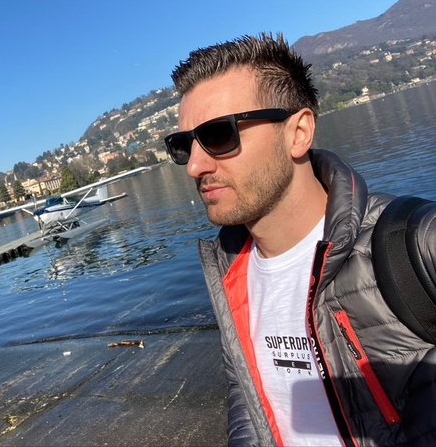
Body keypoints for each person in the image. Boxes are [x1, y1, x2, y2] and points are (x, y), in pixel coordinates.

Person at [164, 33, 436, 446]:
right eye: (183, 145)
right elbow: (247, 398)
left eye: (219, 135)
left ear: (299, 132)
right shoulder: (229, 273)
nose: (194, 166)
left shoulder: (417, 242)